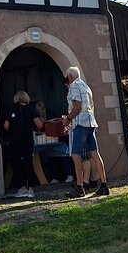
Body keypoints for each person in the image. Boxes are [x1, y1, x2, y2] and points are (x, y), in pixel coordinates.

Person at [62, 67, 109, 197]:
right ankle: (104, 184)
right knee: (94, 153)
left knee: (75, 155)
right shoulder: (85, 86)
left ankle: (79, 187)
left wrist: (68, 119)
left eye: (67, 78)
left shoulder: (74, 86)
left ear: (70, 77)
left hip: (80, 123)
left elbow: (77, 106)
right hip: (90, 122)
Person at [4, 91, 43, 198]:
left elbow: (6, 126)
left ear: (16, 98)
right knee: (28, 162)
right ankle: (31, 188)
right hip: (27, 139)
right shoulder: (30, 109)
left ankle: (22, 187)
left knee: (16, 164)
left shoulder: (12, 109)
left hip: (15, 141)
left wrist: (13, 128)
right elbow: (39, 125)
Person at [34, 101, 73, 184]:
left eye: (41, 112)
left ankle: (69, 174)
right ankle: (54, 177)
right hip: (47, 139)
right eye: (39, 113)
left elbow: (57, 124)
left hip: (58, 137)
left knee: (63, 155)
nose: (41, 114)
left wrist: (45, 122)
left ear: (44, 109)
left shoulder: (51, 113)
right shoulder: (37, 116)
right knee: (51, 156)